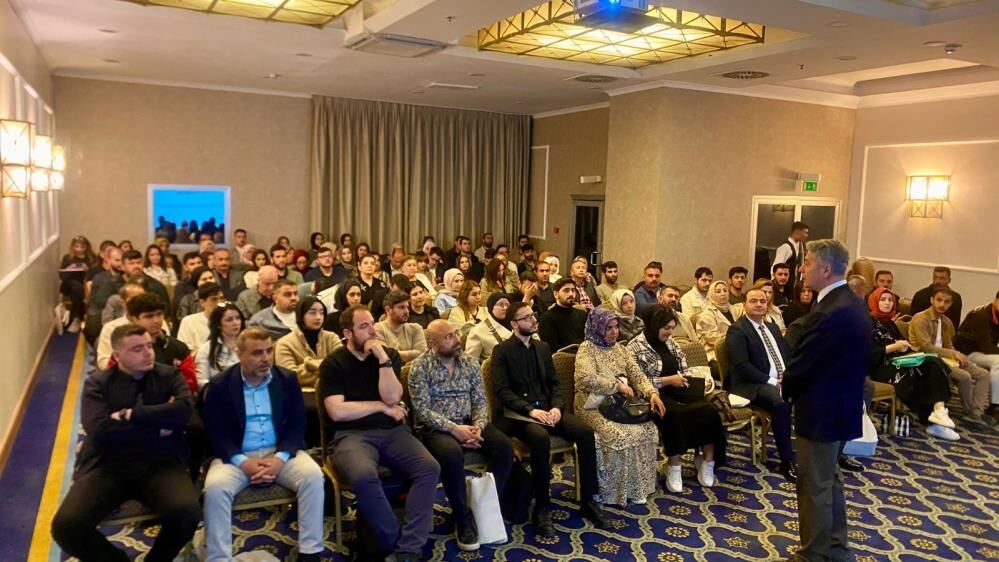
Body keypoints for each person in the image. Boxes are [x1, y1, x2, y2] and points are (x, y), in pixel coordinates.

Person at [51, 325, 200, 562]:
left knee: (188, 513)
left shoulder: (169, 375)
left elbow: (184, 412)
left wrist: (132, 415)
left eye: (149, 346)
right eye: (137, 349)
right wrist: (160, 426)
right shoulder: (98, 384)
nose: (148, 353)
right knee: (66, 526)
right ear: (117, 355)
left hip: (159, 463)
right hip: (108, 465)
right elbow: (100, 431)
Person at [319, 305, 440, 562]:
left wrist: (383, 359)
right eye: (364, 326)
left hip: (392, 432)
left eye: (373, 324)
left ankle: (409, 548)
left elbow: (393, 397)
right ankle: (394, 543)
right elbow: (337, 412)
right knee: (364, 475)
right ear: (347, 333)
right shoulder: (334, 363)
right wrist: (381, 407)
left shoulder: (388, 355)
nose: (372, 331)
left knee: (429, 467)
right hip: (351, 436)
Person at [780, 239, 870, 562]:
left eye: (807, 263)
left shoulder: (830, 311)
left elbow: (805, 363)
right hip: (841, 406)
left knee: (813, 485)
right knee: (829, 480)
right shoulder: (853, 302)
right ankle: (836, 547)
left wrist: (785, 386)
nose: (802, 270)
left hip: (821, 410)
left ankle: (813, 555)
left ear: (826, 269)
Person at [202, 327, 325, 562]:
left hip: (278, 453)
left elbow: (297, 426)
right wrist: (242, 462)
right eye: (257, 353)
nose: (266, 358)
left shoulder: (286, 379)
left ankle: (310, 552)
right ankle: (219, 558)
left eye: (269, 351)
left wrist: (280, 458)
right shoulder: (220, 385)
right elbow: (216, 434)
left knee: (312, 476)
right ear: (239, 354)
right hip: (237, 456)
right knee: (215, 489)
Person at [491, 301, 609, 534]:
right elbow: (502, 391)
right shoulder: (502, 351)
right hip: (519, 415)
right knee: (539, 438)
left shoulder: (543, 347)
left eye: (533, 315)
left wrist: (556, 407)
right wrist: (530, 411)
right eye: (526, 318)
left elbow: (554, 384)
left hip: (547, 408)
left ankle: (588, 500)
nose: (533, 320)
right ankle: (542, 507)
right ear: (514, 324)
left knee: (585, 433)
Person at [407, 320, 513, 551]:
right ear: (432, 343)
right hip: (437, 428)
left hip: (469, 423)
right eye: (449, 337)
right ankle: (462, 518)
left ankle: (481, 506)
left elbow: (480, 402)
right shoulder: (419, 367)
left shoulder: (469, 362)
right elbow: (423, 411)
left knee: (504, 447)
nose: (457, 339)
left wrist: (478, 427)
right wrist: (454, 429)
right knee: (452, 454)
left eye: (456, 333)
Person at [574, 308, 665, 506]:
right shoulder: (587, 348)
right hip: (592, 406)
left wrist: (651, 393)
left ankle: (637, 487)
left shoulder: (620, 349)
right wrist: (617, 386)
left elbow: (637, 375)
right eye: (608, 328)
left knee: (648, 428)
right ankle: (611, 492)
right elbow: (584, 378)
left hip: (619, 404)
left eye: (616, 327)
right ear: (597, 328)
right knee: (618, 435)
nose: (614, 332)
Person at [629, 306, 725, 492]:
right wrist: (667, 380)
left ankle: (707, 460)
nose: (670, 332)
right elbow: (637, 382)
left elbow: (684, 367)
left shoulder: (671, 342)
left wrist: (691, 380)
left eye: (673, 328)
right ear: (654, 325)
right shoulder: (635, 347)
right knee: (673, 414)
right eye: (666, 328)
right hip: (653, 395)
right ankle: (674, 464)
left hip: (679, 389)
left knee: (709, 410)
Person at [867, 288, 958, 439]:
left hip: (899, 361)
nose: (887, 303)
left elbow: (901, 344)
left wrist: (904, 347)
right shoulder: (867, 322)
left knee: (932, 362)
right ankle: (932, 420)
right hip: (882, 366)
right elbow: (868, 354)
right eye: (883, 300)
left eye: (890, 300)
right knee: (923, 373)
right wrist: (894, 347)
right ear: (874, 301)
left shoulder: (890, 323)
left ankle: (938, 412)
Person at [726, 288, 797, 481]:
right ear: (744, 305)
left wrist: (792, 377)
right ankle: (787, 461)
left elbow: (787, 356)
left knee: (818, 392)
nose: (759, 304)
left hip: (781, 379)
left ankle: (820, 452)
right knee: (780, 404)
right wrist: (774, 382)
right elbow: (742, 366)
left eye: (763, 301)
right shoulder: (738, 330)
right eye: (753, 301)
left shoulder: (772, 328)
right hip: (752, 384)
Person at [909, 287, 994, 427]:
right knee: (964, 376)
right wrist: (953, 354)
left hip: (945, 358)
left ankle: (976, 412)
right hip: (927, 359)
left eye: (946, 302)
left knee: (983, 374)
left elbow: (949, 345)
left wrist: (958, 357)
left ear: (950, 304)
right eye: (939, 300)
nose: (942, 304)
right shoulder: (920, 319)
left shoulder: (947, 322)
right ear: (932, 300)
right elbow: (926, 347)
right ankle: (971, 412)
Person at [275, 296, 343, 445]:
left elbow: (341, 368)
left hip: (332, 390)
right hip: (301, 393)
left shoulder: (332, 338)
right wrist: (325, 368)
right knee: (309, 408)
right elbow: (290, 376)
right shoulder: (285, 343)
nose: (318, 317)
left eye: (321, 313)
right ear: (301, 315)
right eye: (312, 313)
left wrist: (309, 364)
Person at [956, 291, 999, 416]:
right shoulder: (980, 316)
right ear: (995, 300)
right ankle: (995, 405)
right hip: (967, 353)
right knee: (998, 361)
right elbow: (987, 347)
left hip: (982, 351)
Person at [374, 290, 428, 363]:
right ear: (388, 310)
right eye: (401, 307)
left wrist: (393, 355)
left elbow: (422, 354)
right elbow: (383, 355)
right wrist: (413, 354)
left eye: (407, 307)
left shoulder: (416, 328)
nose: (406, 311)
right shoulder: (377, 329)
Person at [538, 278, 588, 351]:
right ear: (556, 294)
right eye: (566, 290)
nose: (571, 294)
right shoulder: (547, 318)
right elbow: (551, 347)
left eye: (573, 290)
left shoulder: (582, 314)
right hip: (563, 356)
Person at [176, 282, 223, 355]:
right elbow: (185, 352)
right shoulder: (189, 322)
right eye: (214, 299)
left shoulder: (229, 321)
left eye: (221, 299)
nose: (219, 303)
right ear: (202, 302)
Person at [465, 292, 512, 361]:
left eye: (507, 305)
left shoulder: (516, 323)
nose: (505, 308)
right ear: (491, 307)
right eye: (500, 304)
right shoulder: (477, 331)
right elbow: (470, 362)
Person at [695, 280, 734, 360]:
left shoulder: (731, 309)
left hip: (732, 349)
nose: (723, 294)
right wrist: (736, 338)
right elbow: (713, 339)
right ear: (712, 294)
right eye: (718, 292)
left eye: (725, 290)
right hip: (714, 354)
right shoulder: (706, 315)